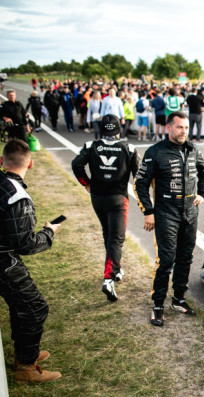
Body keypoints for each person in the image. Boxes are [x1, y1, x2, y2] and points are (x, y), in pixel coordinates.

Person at [134, 111, 204, 326]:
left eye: (186, 128)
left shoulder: (193, 149)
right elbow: (140, 184)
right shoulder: (155, 152)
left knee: (186, 258)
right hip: (165, 213)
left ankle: (178, 299)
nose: (184, 131)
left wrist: (202, 194)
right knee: (166, 260)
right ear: (169, 128)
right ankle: (157, 304)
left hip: (190, 212)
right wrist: (148, 211)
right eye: (179, 127)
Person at [0, 139, 62, 382]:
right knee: (35, 307)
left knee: (21, 304)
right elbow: (24, 244)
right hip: (3, 260)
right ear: (31, 164)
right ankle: (26, 366)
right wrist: (49, 232)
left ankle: (25, 354)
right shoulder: (18, 196)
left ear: (1, 160)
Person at [71, 115, 139, 302]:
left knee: (108, 233)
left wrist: (86, 183)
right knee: (116, 239)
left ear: (102, 129)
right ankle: (109, 278)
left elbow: (76, 164)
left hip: (98, 197)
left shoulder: (90, 146)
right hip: (118, 199)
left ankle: (115, 269)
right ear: (119, 129)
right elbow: (139, 175)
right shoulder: (129, 148)